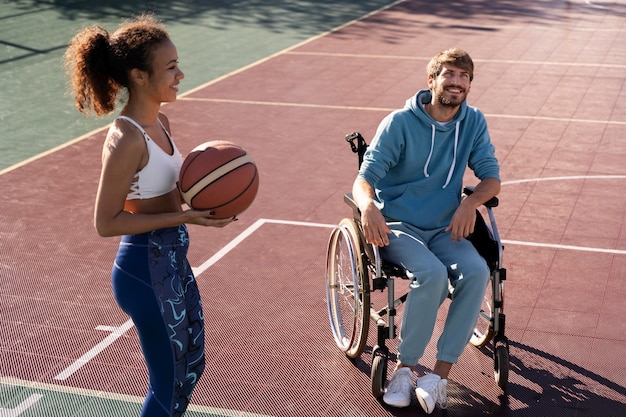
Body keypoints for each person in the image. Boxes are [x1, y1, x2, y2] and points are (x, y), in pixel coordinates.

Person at [65, 14, 234, 417]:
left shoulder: (161, 122)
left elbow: (173, 196)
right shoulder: (125, 139)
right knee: (168, 386)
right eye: (170, 67)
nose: (180, 74)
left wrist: (212, 201)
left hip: (172, 263)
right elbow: (106, 223)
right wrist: (185, 218)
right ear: (139, 76)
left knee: (190, 369)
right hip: (144, 269)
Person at [352, 48, 501, 414]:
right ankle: (404, 369)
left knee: (478, 271)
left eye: (464, 77)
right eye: (449, 75)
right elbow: (364, 179)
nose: (456, 83)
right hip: (400, 226)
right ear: (431, 80)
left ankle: (438, 376)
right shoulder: (399, 123)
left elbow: (491, 179)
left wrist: (469, 203)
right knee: (431, 274)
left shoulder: (473, 121)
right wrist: (368, 206)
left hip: (446, 225)